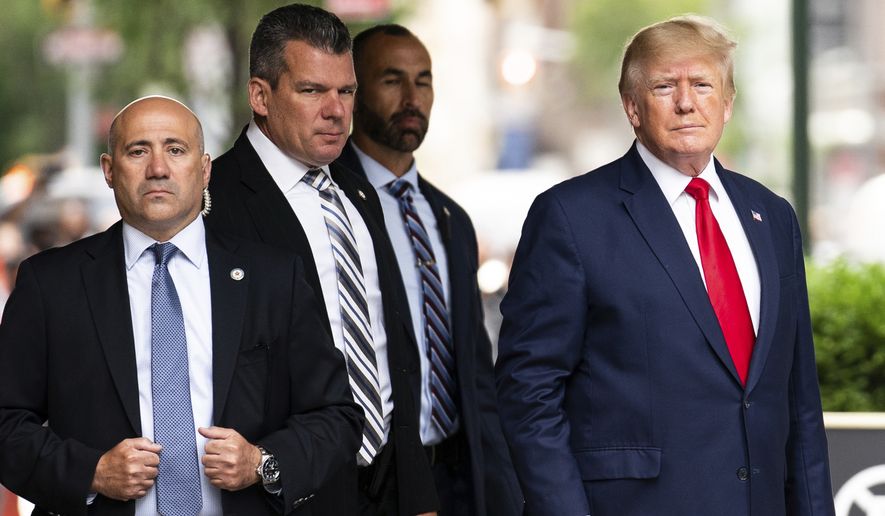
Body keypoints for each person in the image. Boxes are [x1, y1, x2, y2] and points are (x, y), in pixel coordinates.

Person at [494, 15, 836, 516]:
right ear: (631, 107)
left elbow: (798, 398)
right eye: (663, 86)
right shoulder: (570, 216)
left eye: (702, 84)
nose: (686, 102)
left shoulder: (772, 217)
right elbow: (528, 393)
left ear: (728, 103)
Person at [0, 96, 362, 515]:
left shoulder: (273, 279)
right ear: (109, 170)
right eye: (138, 151)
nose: (158, 168)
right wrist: (92, 472)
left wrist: (261, 462)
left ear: (205, 169)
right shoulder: (50, 284)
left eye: (175, 149)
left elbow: (336, 416)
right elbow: (7, 423)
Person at [205, 4, 438, 515]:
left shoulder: (356, 191)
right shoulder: (211, 203)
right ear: (260, 96)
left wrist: (417, 492)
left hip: (387, 487)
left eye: (347, 91)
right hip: (282, 492)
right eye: (312, 91)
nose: (336, 110)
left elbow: (390, 343)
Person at [335, 24, 523, 516]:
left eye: (424, 80)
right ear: (353, 94)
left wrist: (501, 487)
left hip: (460, 476)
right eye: (392, 80)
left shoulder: (449, 217)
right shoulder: (328, 207)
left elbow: (476, 368)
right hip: (373, 481)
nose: (413, 97)